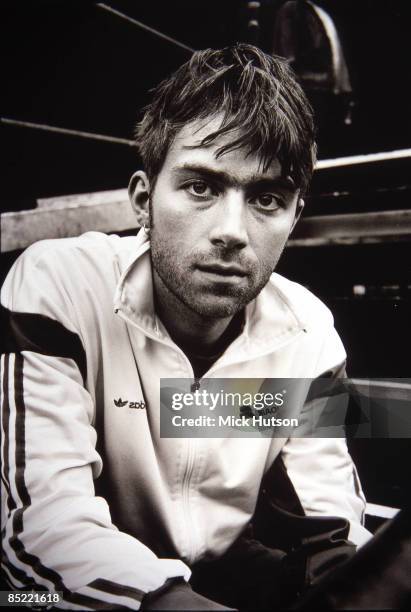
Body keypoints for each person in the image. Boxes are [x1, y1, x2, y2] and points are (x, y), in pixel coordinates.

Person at [1, 44, 372, 610]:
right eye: (201, 187)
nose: (232, 231)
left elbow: (329, 530)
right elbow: (44, 530)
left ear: (294, 218)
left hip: (216, 577)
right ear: (144, 199)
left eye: (267, 198)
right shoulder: (59, 288)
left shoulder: (310, 335)